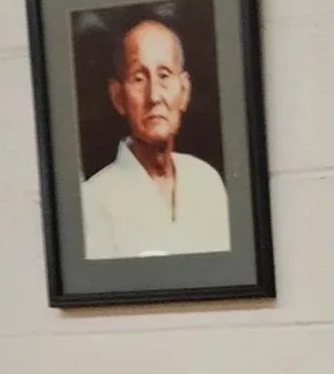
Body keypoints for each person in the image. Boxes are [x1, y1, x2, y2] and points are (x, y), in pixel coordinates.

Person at [80, 15, 230, 259]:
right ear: (118, 97)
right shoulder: (94, 199)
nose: (154, 96)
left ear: (184, 90)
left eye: (164, 75)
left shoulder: (207, 181)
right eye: (139, 78)